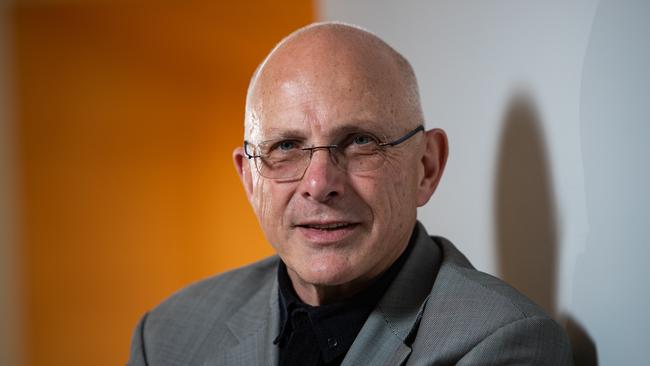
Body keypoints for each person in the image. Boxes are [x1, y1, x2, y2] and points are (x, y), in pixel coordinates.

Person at [128, 22, 573, 365]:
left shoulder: (502, 344)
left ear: (427, 167)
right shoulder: (167, 336)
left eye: (360, 141)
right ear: (249, 178)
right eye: (286, 146)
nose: (320, 185)